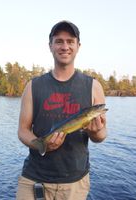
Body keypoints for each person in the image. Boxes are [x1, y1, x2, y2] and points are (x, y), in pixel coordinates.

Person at [16, 20, 107, 200]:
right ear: (50, 46)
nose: (65, 46)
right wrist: (41, 145)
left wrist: (96, 133)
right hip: (34, 180)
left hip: (75, 184)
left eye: (70, 41)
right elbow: (22, 131)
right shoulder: (33, 86)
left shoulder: (94, 86)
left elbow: (102, 135)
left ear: (78, 46)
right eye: (59, 41)